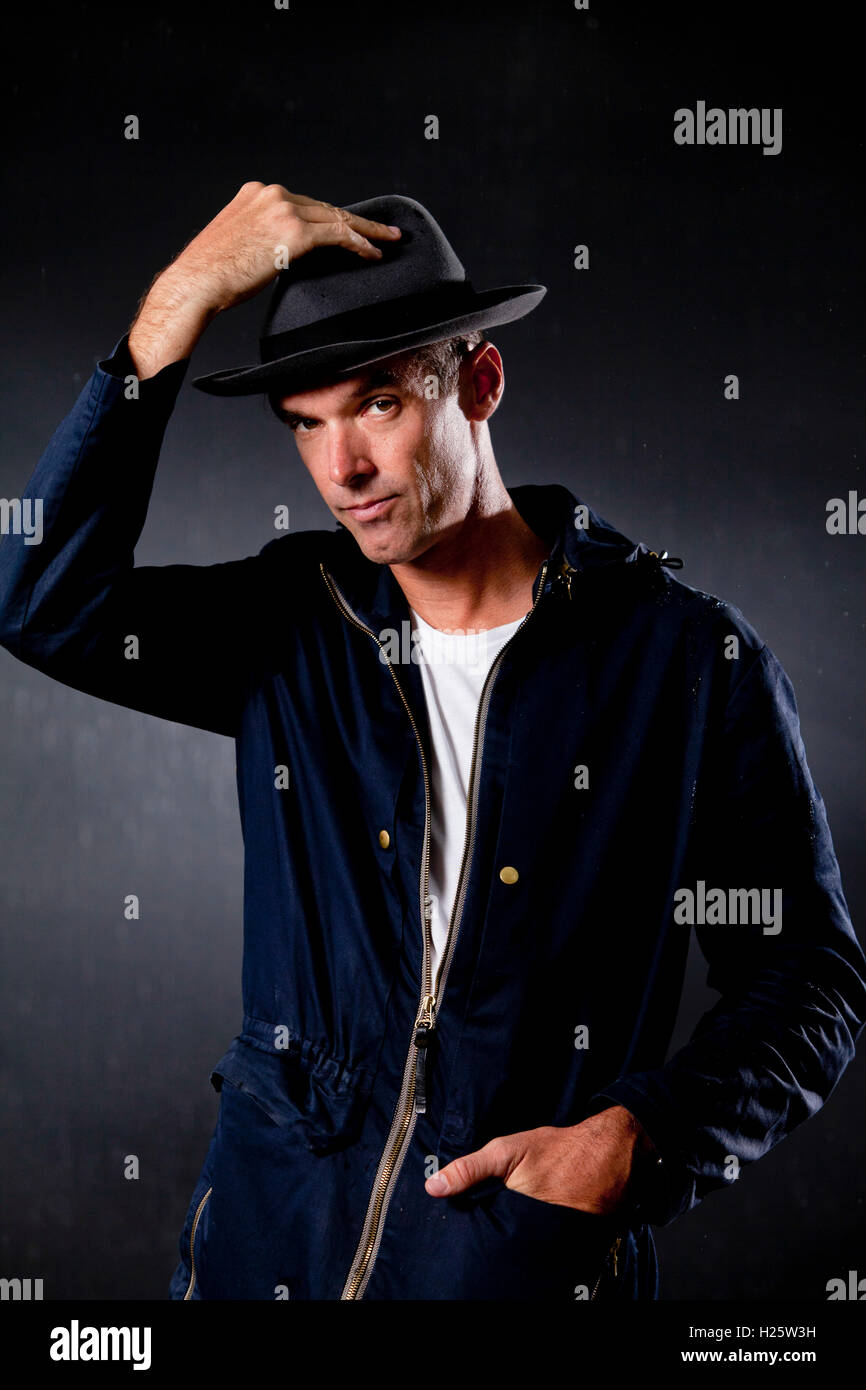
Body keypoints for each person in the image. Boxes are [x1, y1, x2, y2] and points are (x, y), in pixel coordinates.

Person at [1, 183, 863, 1301]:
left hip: (507, 1272)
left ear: (478, 383)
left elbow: (810, 978)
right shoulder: (295, 624)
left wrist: (637, 1141)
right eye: (304, 424)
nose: (340, 468)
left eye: (375, 406)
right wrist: (180, 300)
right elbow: (39, 598)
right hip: (265, 1263)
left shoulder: (686, 663)